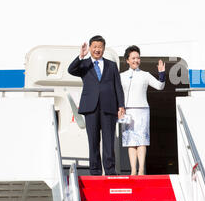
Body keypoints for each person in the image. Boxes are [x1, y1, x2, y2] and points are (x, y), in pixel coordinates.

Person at [68, 35, 125, 176]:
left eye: (100, 47)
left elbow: (118, 86)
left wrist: (121, 106)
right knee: (93, 140)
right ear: (90, 48)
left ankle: (110, 171)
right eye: (95, 47)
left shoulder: (111, 65)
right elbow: (71, 70)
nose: (97, 50)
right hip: (90, 107)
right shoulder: (85, 64)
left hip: (109, 107)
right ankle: (95, 171)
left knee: (109, 140)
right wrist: (81, 56)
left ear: (104, 48)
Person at [120, 45, 165, 175]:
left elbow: (160, 86)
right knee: (130, 142)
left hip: (142, 110)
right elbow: (116, 92)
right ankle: (133, 169)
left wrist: (161, 74)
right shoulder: (121, 76)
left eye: (138, 58)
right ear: (127, 60)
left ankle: (141, 169)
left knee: (142, 141)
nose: (136, 60)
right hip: (127, 111)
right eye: (133, 58)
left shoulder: (145, 75)